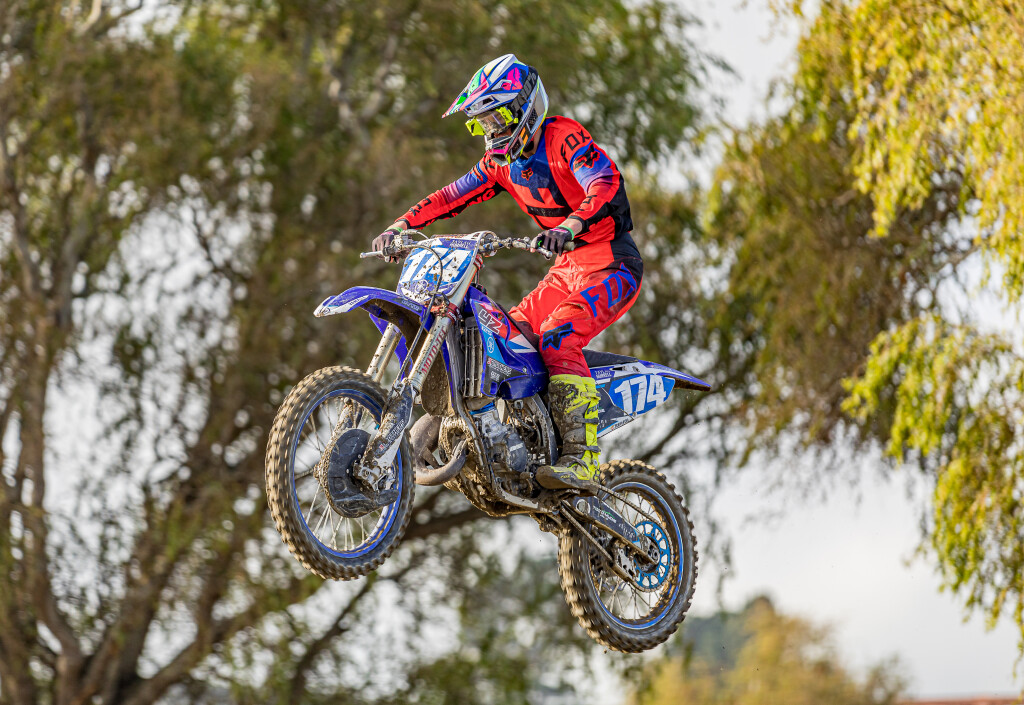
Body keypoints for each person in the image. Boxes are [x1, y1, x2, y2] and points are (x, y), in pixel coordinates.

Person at [372, 54, 643, 492]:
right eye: (483, 123)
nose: (492, 131)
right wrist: (402, 224)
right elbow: (450, 196)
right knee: (501, 338)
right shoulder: (500, 164)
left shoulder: (564, 138)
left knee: (558, 335)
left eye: (498, 118)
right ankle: (514, 436)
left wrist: (569, 226)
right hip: (567, 268)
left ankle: (582, 458)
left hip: (612, 262)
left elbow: (604, 183)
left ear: (525, 108)